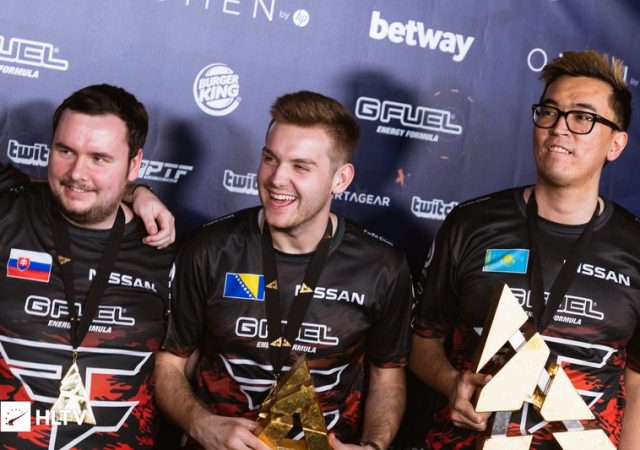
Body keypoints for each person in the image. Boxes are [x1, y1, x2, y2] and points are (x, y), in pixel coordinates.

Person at [155, 90, 413, 450]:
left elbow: (388, 375)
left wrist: (373, 446)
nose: (277, 178)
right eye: (270, 159)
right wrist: (202, 425)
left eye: (300, 167)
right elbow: (169, 363)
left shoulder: (382, 265)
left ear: (340, 179)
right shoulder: (210, 249)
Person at [410, 50, 639, 449]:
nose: (559, 128)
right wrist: (450, 383)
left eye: (582, 118)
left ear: (616, 144)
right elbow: (422, 340)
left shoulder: (635, 246)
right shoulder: (471, 223)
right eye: (549, 112)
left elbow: (636, 380)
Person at [0, 84, 176, 449]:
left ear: (134, 164)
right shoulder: (8, 210)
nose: (77, 172)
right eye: (65, 151)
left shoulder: (167, 251)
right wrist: (132, 190)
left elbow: (182, 370)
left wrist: (133, 191)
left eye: (99, 158)